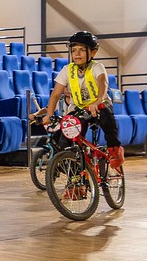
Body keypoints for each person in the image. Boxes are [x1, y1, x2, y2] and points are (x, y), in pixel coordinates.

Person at [39, 30, 124, 169]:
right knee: (66, 138)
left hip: (99, 105)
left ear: (93, 52)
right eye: (74, 50)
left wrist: (97, 102)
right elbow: (55, 94)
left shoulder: (97, 67)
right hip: (79, 109)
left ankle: (115, 149)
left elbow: (103, 84)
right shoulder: (67, 70)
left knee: (107, 118)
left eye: (81, 50)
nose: (77, 54)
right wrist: (49, 114)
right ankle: (75, 180)